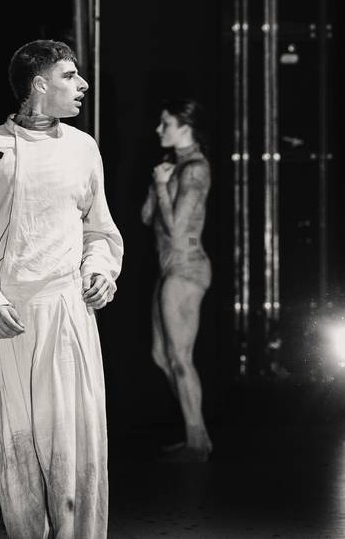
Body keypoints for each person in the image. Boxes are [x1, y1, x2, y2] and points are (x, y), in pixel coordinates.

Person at [0, 40, 123, 538]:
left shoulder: (83, 148)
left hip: (68, 310)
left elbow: (99, 228)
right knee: (17, 447)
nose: (82, 84)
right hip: (11, 317)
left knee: (77, 447)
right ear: (39, 84)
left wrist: (100, 270)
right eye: (70, 75)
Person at [141, 98, 212, 462]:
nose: (159, 129)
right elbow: (146, 216)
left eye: (165, 123)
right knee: (161, 356)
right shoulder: (176, 166)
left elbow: (175, 228)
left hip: (187, 268)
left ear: (186, 126)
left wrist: (161, 184)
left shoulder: (195, 169)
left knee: (181, 357)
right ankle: (195, 432)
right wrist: (158, 185)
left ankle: (197, 441)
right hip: (170, 268)